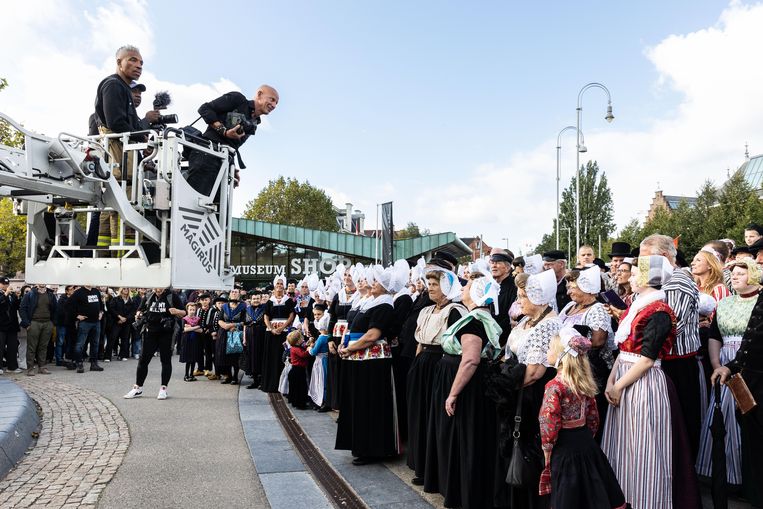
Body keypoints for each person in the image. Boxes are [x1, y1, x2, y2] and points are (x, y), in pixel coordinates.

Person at [602, 255, 700, 509]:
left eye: (635, 274)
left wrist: (619, 384)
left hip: (643, 384)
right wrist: (611, 381)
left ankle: (647, 498)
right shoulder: (638, 306)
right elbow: (623, 350)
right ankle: (623, 495)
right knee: (624, 445)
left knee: (644, 446)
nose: (631, 277)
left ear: (649, 278)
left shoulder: (659, 312)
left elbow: (647, 359)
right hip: (625, 375)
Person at [422, 261, 502, 509]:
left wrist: (452, 393)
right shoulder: (484, 318)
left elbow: (469, 360)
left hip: (464, 383)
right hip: (470, 382)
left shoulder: (473, 321)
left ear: (476, 293)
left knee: (462, 436)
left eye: (468, 287)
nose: (463, 289)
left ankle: (463, 491)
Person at [539, 327, 625, 508]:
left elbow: (549, 420)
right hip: (586, 442)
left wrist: (547, 447)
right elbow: (593, 416)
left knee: (568, 494)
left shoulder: (554, 386)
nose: (546, 352)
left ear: (560, 355)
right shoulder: (583, 382)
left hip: (565, 446)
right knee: (591, 488)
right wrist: (588, 436)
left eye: (549, 349)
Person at [500, 268, 561, 508]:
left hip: (533, 395)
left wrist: (505, 384)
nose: (518, 301)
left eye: (522, 296)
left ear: (538, 297)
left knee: (530, 451)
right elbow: (508, 354)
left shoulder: (548, 325)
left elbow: (534, 372)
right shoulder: (526, 320)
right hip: (518, 391)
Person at [336, 263, 408, 465]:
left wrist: (350, 348)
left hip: (373, 363)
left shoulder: (384, 305)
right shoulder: (370, 302)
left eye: (376, 281)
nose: (372, 283)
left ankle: (373, 448)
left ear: (386, 286)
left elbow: (372, 335)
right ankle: (362, 445)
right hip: (361, 360)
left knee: (371, 405)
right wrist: (345, 344)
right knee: (361, 403)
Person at [697, 258, 760, 486]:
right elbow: (715, 336)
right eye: (733, 273)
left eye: (742, 273)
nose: (735, 276)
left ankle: (746, 478)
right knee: (722, 417)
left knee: (745, 415)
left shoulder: (759, 303)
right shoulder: (724, 303)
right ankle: (724, 475)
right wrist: (716, 364)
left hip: (750, 364)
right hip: (724, 363)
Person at [640, 233, 703, 461]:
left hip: (677, 365)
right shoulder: (662, 281)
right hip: (664, 362)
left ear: (664, 256)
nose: (642, 263)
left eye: (646, 257)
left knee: (680, 425)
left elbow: (671, 327)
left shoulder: (677, 282)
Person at [93, 45, 160, 249]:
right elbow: (116, 123)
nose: (138, 65)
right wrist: (143, 133)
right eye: (132, 60)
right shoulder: (113, 85)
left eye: (141, 62)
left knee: (112, 206)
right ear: (118, 62)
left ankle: (106, 256)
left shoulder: (121, 88)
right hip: (118, 154)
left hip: (122, 153)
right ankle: (125, 256)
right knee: (125, 203)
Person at [407, 265, 465, 486]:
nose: (430, 289)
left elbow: (456, 346)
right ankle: (421, 465)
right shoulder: (425, 311)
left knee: (433, 418)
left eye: (435, 285)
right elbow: (420, 343)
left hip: (440, 365)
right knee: (419, 414)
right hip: (422, 365)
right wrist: (415, 365)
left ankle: (433, 470)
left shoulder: (455, 311)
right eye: (429, 284)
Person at [186, 85, 279, 196]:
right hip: (206, 155)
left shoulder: (254, 124)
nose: (274, 105)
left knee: (217, 210)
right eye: (272, 99)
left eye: (276, 103)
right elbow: (204, 108)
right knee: (194, 203)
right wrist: (223, 131)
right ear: (259, 94)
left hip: (223, 163)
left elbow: (232, 147)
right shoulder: (238, 99)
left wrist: (232, 167)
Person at [558, 265, 615, 438]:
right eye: (568, 287)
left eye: (573, 288)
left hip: (589, 370)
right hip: (568, 367)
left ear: (587, 287)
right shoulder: (570, 306)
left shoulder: (597, 309)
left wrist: (573, 344)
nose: (569, 292)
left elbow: (598, 341)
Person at [124, 288, 185, 400]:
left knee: (165, 360)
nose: (158, 290)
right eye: (156, 288)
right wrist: (138, 314)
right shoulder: (148, 296)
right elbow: (140, 310)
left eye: (160, 288)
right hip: (150, 332)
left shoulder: (172, 296)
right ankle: (138, 387)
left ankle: (163, 389)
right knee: (143, 360)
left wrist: (177, 311)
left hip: (166, 333)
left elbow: (184, 312)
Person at [326, 265, 358, 408]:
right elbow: (332, 318)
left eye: (350, 275)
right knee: (336, 370)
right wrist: (329, 339)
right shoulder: (338, 295)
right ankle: (336, 402)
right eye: (345, 275)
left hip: (351, 335)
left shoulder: (360, 295)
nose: (347, 278)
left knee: (348, 370)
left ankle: (348, 404)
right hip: (337, 334)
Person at [261, 275, 296, 392]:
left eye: (281, 284)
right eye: (278, 284)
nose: (279, 286)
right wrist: (271, 328)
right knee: (271, 357)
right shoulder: (269, 301)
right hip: (271, 334)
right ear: (274, 285)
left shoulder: (288, 301)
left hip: (284, 333)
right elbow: (266, 316)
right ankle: (271, 384)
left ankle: (283, 386)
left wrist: (282, 328)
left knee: (283, 357)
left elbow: (291, 316)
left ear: (284, 286)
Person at [19, 284, 57, 376]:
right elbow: (22, 309)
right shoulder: (30, 294)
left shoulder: (50, 294)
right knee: (32, 347)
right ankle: (30, 368)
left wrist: (53, 323)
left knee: (43, 346)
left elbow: (56, 309)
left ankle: (42, 367)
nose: (42, 282)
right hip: (34, 323)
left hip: (47, 323)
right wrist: (27, 323)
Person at [70, 284, 104, 373]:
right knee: (80, 344)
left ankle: (94, 364)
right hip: (85, 323)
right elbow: (68, 305)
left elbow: (101, 305)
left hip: (96, 322)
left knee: (95, 343)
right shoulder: (78, 292)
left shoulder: (96, 291)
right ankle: (79, 364)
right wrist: (77, 316)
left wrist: (101, 312)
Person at [217, 289, 248, 384]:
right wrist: (225, 326)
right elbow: (220, 319)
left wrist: (231, 325)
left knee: (235, 356)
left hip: (237, 333)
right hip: (224, 333)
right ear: (229, 295)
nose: (234, 293)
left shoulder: (243, 306)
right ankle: (228, 376)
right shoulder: (225, 306)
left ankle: (235, 377)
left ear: (239, 295)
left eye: (236, 292)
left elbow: (244, 321)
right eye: (232, 292)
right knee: (225, 356)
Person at [490, 247, 518, 346]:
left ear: (507, 268)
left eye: (497, 263)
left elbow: (511, 315)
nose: (494, 266)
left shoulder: (514, 287)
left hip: (505, 338)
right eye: (492, 263)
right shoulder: (490, 286)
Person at [307, 303, 330, 409]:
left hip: (321, 361)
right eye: (314, 315)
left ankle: (322, 402)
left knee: (321, 381)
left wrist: (309, 348)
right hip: (325, 359)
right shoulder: (327, 336)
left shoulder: (321, 337)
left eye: (318, 315)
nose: (316, 317)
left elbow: (313, 352)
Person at [244, 291, 267, 389]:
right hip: (249, 335)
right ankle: (255, 381)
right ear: (250, 299)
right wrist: (244, 338)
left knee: (260, 357)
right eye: (254, 299)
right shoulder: (247, 309)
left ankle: (262, 381)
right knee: (251, 358)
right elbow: (245, 324)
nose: (256, 300)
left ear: (261, 299)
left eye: (258, 298)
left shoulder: (265, 308)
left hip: (261, 335)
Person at [108, 287, 137, 361]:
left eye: (127, 289)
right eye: (124, 289)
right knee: (112, 338)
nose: (126, 290)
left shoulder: (131, 300)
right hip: (116, 322)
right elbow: (111, 309)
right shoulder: (116, 299)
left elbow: (133, 312)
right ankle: (107, 356)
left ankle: (122, 355)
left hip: (126, 322)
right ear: (121, 290)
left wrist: (125, 319)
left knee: (125, 339)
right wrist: (119, 317)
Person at [0, 276, 20, 374]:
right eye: (4, 284)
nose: (6, 286)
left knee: (13, 347)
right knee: (0, 346)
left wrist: (18, 296)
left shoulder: (12, 295)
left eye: (7, 284)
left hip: (12, 325)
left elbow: (16, 307)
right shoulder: (3, 294)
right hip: (1, 325)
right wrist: (5, 294)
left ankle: (12, 366)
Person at [286, 330, 310, 409]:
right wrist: (309, 349)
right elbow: (303, 354)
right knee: (300, 387)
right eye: (301, 338)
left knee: (296, 387)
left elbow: (303, 347)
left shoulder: (295, 347)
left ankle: (295, 401)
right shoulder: (295, 349)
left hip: (297, 370)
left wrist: (307, 345)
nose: (303, 339)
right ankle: (300, 403)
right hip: (297, 371)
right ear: (297, 341)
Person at [180, 302, 201, 381]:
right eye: (190, 310)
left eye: (193, 310)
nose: (192, 311)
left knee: (194, 358)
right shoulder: (184, 319)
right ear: (187, 310)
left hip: (195, 340)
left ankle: (192, 374)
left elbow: (201, 330)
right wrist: (196, 327)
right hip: (187, 340)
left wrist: (191, 327)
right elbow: (185, 329)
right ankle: (186, 375)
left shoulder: (197, 319)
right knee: (188, 359)